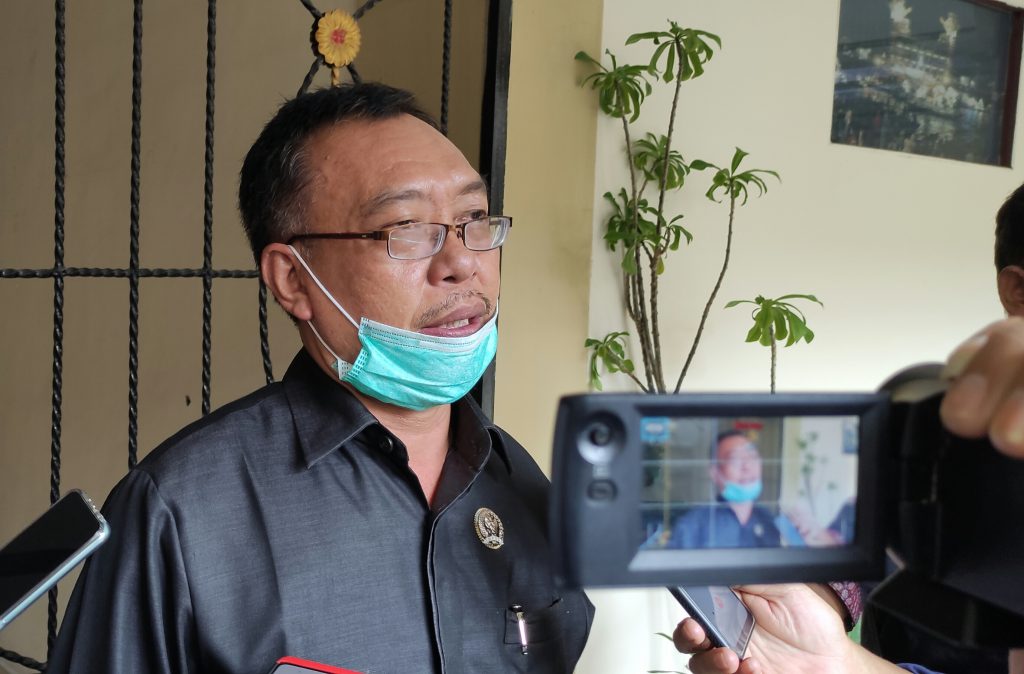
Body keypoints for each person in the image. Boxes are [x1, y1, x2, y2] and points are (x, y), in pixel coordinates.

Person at [47, 83, 595, 673]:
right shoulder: (182, 511)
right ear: (293, 279)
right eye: (406, 228)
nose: (462, 262)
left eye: (473, 220)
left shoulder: (521, 484)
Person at [673, 316, 1024, 673]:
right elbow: (843, 580)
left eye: (752, 459)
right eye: (736, 461)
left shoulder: (774, 519)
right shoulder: (697, 526)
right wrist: (834, 659)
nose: (749, 470)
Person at [669, 431, 781, 549]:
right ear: (715, 473)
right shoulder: (693, 526)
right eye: (735, 460)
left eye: (752, 457)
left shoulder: (769, 521)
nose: (747, 467)